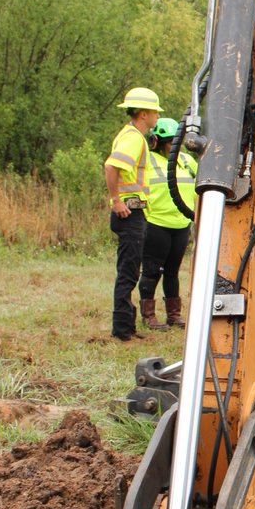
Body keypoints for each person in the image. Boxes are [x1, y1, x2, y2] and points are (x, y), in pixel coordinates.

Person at [104, 87, 160, 341]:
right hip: (129, 212)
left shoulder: (133, 136)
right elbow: (111, 166)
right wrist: (116, 200)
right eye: (155, 113)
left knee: (131, 270)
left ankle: (128, 327)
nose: (157, 117)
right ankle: (122, 330)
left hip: (133, 211)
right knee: (128, 272)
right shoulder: (134, 138)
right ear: (144, 113)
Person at [138, 117, 198, 330]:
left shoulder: (187, 162)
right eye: (169, 141)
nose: (172, 145)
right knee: (152, 270)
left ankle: (174, 315)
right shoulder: (148, 162)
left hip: (181, 224)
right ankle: (149, 315)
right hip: (156, 224)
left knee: (172, 271)